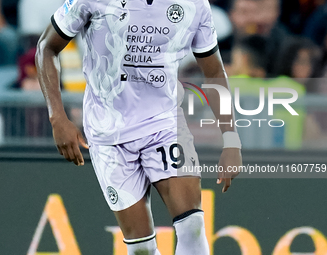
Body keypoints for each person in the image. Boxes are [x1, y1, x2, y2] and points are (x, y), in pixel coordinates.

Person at [36, 0, 242, 254]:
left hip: (165, 123)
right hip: (107, 131)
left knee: (193, 226)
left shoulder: (194, 4)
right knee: (141, 249)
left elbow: (214, 72)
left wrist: (231, 139)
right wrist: (57, 117)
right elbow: (46, 47)